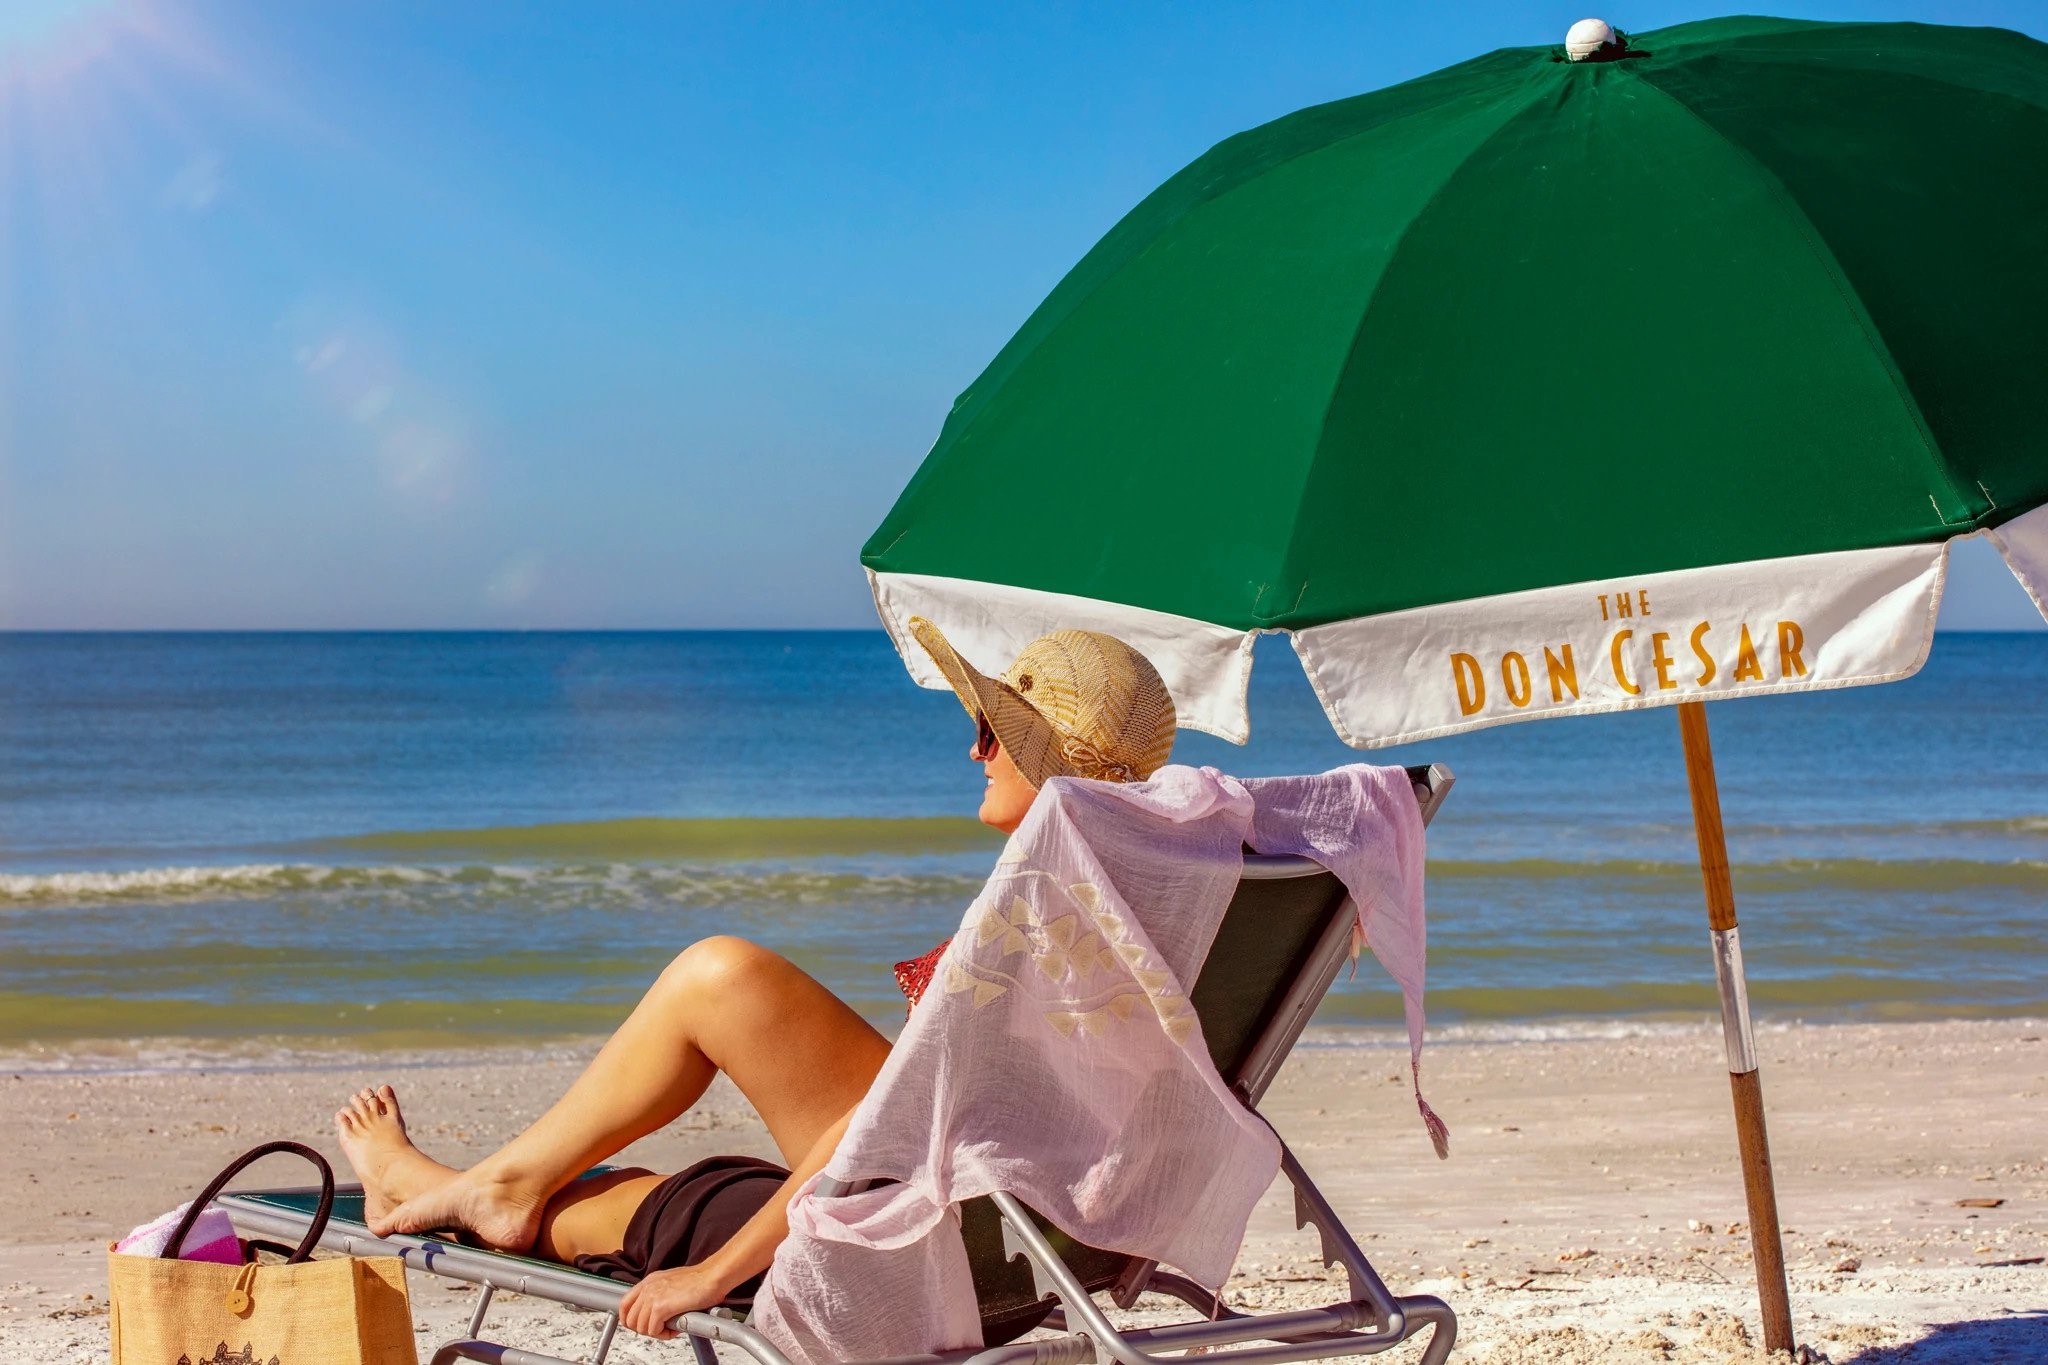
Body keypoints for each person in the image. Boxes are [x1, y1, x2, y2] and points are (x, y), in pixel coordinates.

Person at [332, 619, 1177, 1339]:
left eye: (995, 733)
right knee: (721, 973)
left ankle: (468, 1189)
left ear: (1049, 763)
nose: (974, 747)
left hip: (928, 1255)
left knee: (647, 1206)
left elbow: (877, 1120)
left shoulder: (1035, 918)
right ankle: (492, 1184)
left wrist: (714, 1276)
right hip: (1016, 1224)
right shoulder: (1151, 896)